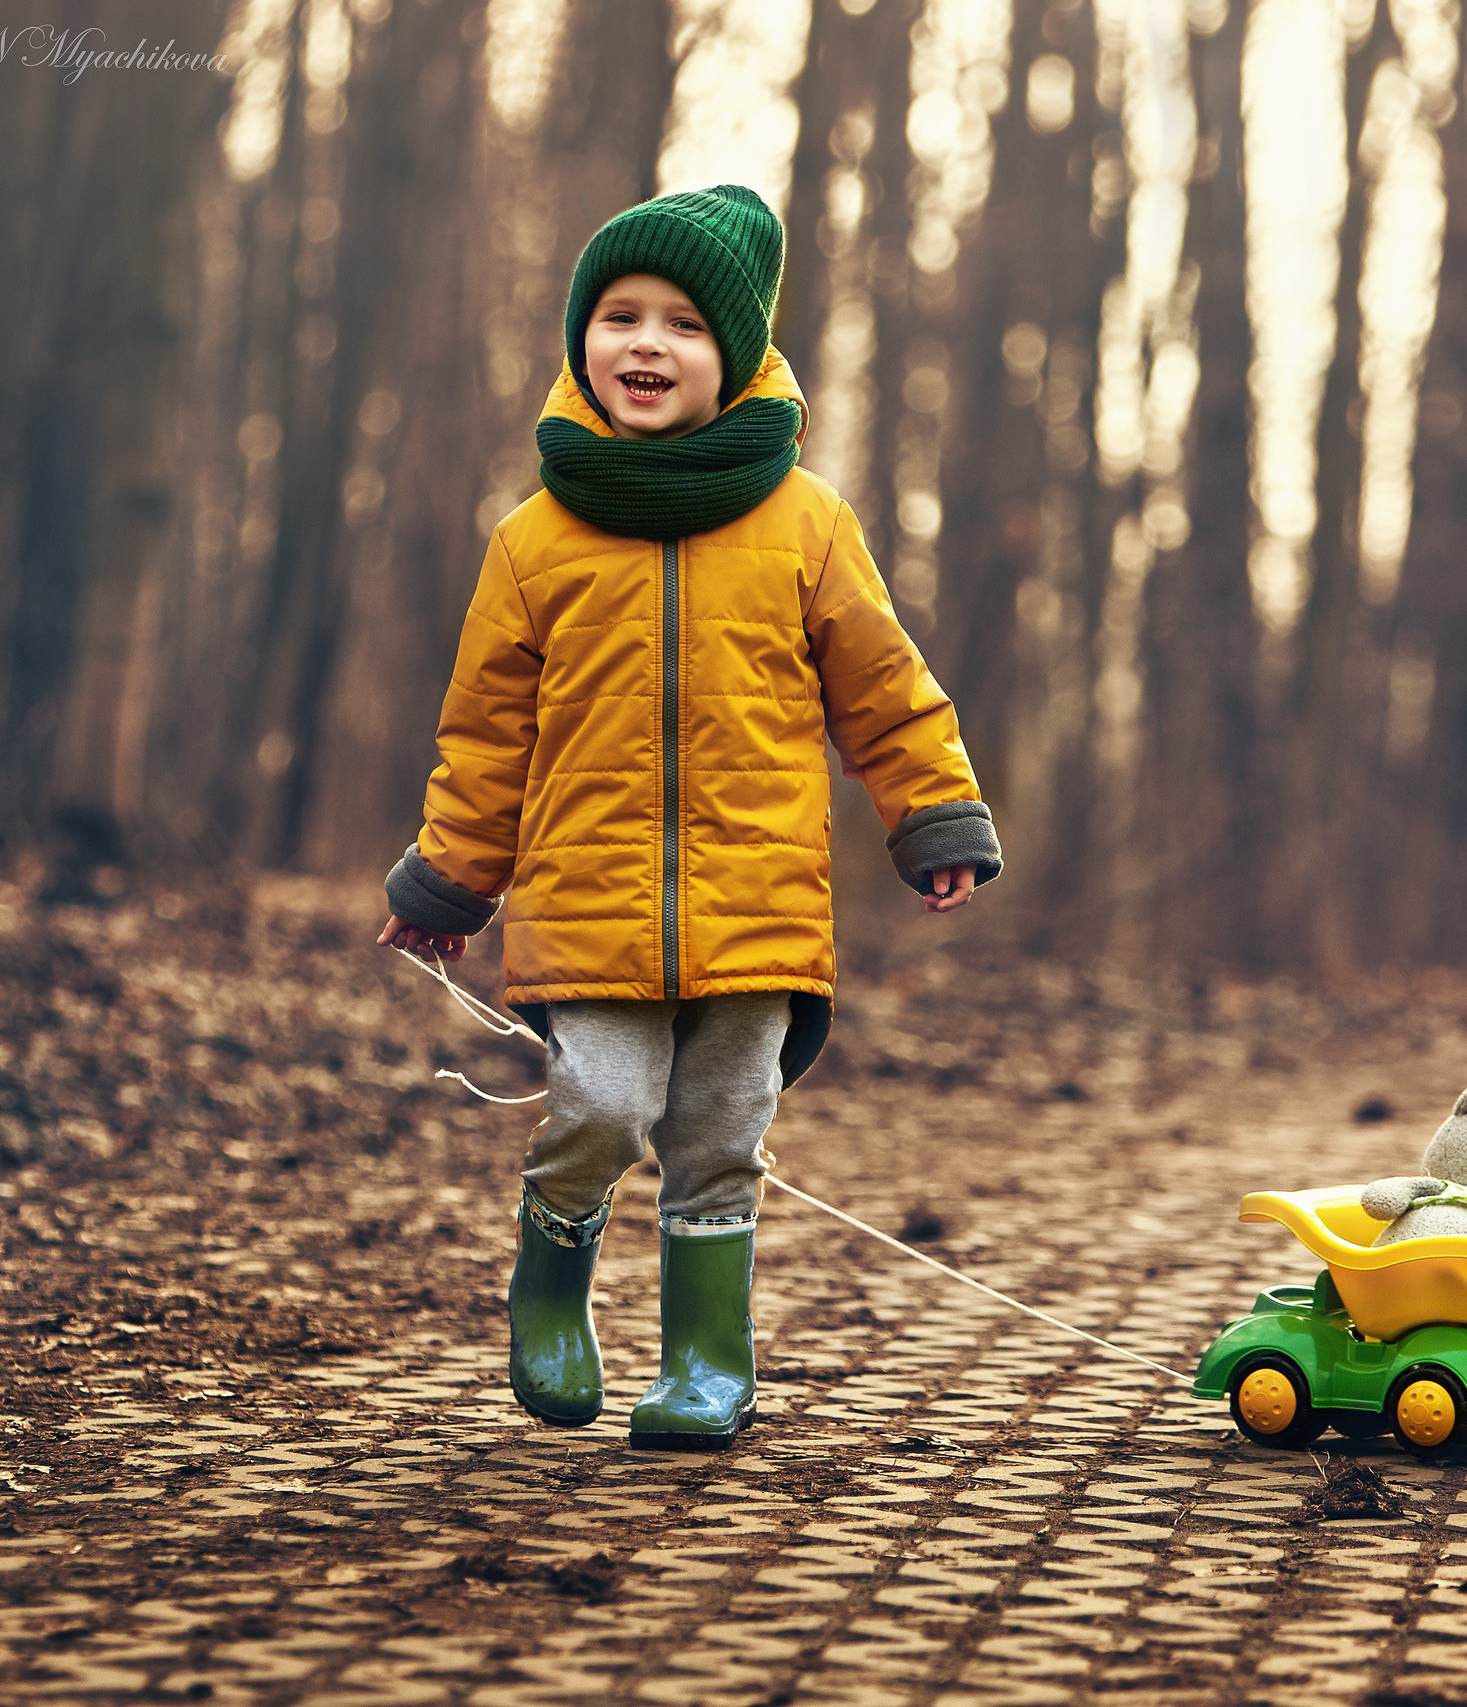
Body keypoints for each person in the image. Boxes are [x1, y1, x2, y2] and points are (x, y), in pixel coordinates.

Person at [374, 185, 1001, 1449]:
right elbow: (486, 734)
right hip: (583, 903)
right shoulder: (534, 541)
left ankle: (707, 1363)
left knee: (720, 1135)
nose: (645, 345)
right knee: (601, 1108)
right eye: (618, 316)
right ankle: (549, 1291)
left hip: (757, 906)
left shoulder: (806, 523)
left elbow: (882, 685)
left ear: (739, 355)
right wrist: (447, 882)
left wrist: (932, 810)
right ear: (580, 341)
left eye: (681, 325)